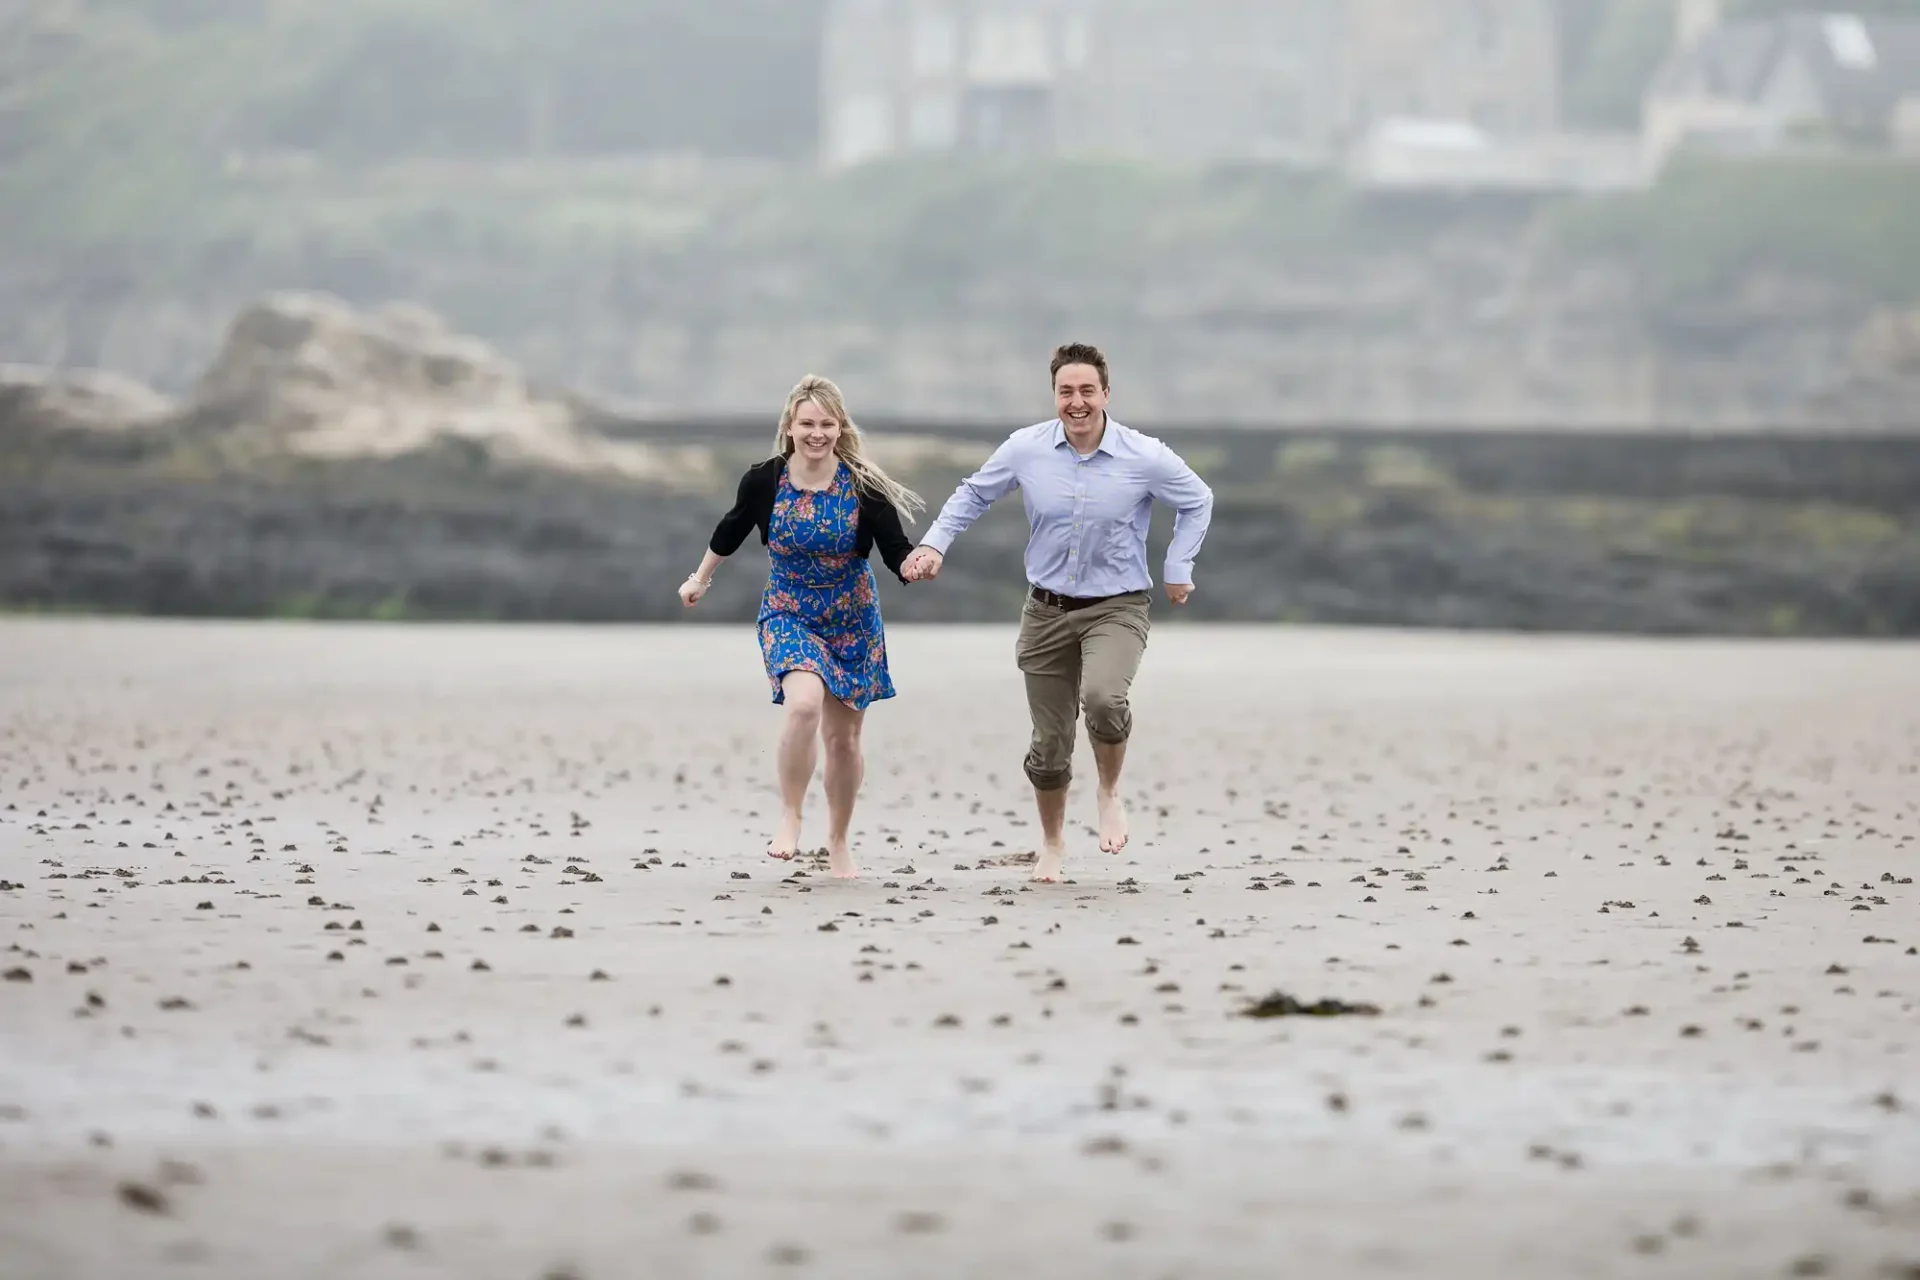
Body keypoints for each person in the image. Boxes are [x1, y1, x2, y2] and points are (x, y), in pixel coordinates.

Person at [903, 343, 1213, 883]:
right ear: (1055, 395)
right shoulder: (1026, 449)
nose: (1076, 402)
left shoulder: (1144, 455)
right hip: (1045, 611)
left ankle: (1109, 791)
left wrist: (1178, 566)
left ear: (1106, 395)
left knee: (1103, 699)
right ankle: (1051, 845)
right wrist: (934, 546)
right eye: (1066, 391)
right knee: (1049, 745)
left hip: (1116, 607)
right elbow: (973, 494)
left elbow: (1198, 498)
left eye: (1087, 391)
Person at [680, 375, 923, 879]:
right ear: (790, 426)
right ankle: (790, 815)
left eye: (827, 424)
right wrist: (699, 579)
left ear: (840, 428)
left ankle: (837, 841)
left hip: (852, 618)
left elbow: (894, 549)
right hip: (789, 610)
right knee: (804, 704)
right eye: (807, 423)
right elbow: (731, 528)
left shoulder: (863, 485)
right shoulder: (764, 479)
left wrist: (913, 566)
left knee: (844, 741)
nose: (817, 433)